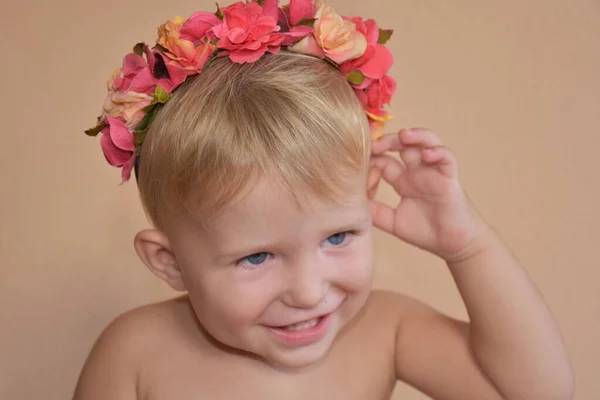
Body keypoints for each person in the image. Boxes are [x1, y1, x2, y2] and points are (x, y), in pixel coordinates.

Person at [75, 0, 574, 399]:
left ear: (368, 199)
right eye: (257, 256)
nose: (310, 293)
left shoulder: (386, 331)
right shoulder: (135, 353)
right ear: (171, 262)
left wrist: (469, 247)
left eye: (338, 235)